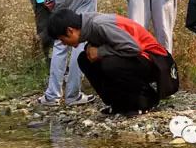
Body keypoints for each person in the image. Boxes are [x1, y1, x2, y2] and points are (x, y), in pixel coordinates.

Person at [47, 7, 179, 116]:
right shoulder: (87, 25)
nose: (64, 44)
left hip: (157, 61)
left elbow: (134, 48)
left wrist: (100, 52)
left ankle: (147, 100)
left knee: (109, 64)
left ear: (70, 31)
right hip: (138, 59)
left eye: (62, 40)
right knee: (84, 59)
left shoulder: (98, 24)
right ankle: (118, 103)